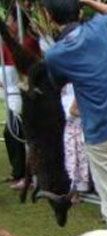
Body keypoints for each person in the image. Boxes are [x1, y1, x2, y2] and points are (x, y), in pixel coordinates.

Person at [43, 0, 107, 233]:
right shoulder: (101, 27)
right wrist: (90, 0)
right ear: (80, 10)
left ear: (50, 16)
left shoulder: (55, 55)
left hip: (99, 132)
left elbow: (58, 83)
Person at [2, 4, 40, 190]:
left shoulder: (28, 42)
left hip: (25, 94)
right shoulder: (7, 44)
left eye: (10, 19)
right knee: (12, 133)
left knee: (22, 134)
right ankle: (21, 172)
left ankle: (30, 175)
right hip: (13, 95)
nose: (8, 23)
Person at [61, 84, 89, 201]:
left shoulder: (72, 95)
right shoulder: (66, 97)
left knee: (79, 159)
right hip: (72, 130)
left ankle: (78, 189)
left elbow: (72, 111)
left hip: (78, 128)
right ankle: (74, 190)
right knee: (73, 160)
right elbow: (71, 112)